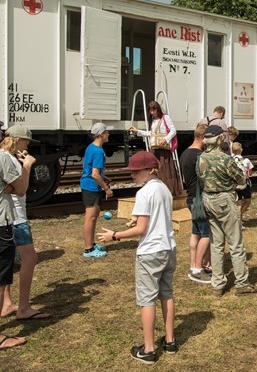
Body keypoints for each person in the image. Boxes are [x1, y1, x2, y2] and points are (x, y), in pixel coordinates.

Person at [97, 151, 178, 364]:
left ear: (150, 170)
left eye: (136, 171)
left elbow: (142, 229)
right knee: (166, 293)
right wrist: (138, 223)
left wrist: (114, 236)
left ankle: (149, 349)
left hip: (150, 252)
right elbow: (156, 218)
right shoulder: (164, 189)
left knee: (147, 299)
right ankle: (170, 340)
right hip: (168, 249)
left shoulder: (144, 193)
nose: (132, 175)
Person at [198, 125, 257, 296]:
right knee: (235, 243)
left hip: (208, 199)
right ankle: (242, 282)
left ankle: (217, 283)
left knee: (216, 244)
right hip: (224, 200)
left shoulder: (201, 157)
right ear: (219, 139)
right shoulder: (225, 159)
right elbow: (241, 178)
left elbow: (200, 178)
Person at [1, 127, 50, 321]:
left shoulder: (6, 156)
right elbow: (22, 189)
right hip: (16, 218)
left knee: (7, 262)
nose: (28, 145)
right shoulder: (9, 159)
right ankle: (24, 308)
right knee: (30, 258)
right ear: (18, 140)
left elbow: (13, 186)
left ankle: (6, 303)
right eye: (27, 142)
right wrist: (27, 165)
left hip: (8, 218)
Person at [178, 124, 211, 284]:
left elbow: (184, 179)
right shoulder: (199, 156)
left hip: (191, 197)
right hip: (199, 199)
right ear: (203, 138)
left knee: (196, 232)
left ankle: (193, 264)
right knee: (207, 234)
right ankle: (198, 269)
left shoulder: (184, 153)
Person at [129, 101, 182, 196]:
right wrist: (138, 132)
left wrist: (165, 140)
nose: (152, 113)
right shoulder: (153, 121)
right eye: (150, 111)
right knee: (157, 170)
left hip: (163, 149)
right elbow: (151, 133)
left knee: (165, 170)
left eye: (154, 110)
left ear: (158, 109)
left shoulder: (165, 118)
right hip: (155, 149)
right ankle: (158, 192)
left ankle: (169, 192)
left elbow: (173, 130)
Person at [80, 122, 114, 258]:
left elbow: (92, 170)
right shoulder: (98, 151)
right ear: (101, 134)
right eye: (107, 132)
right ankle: (88, 249)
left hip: (89, 185)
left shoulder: (91, 148)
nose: (109, 134)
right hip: (91, 187)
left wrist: (104, 177)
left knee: (92, 217)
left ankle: (91, 244)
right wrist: (106, 189)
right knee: (91, 217)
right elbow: (94, 174)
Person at [231, 142, 253, 224]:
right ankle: (239, 217)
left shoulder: (231, 160)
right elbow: (250, 173)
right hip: (244, 184)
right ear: (241, 150)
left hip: (235, 185)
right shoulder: (246, 160)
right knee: (248, 201)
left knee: (238, 203)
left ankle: (238, 220)